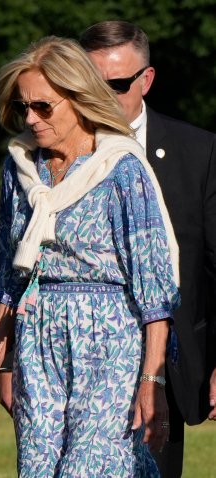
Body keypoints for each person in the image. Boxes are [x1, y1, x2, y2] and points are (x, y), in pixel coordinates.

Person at [0, 36, 180, 476]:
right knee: (40, 469)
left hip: (109, 340)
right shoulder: (21, 168)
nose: (31, 118)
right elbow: (11, 275)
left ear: (79, 98)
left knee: (91, 468)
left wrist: (152, 380)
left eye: (44, 106)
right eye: (23, 106)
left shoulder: (122, 168)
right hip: (37, 336)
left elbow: (155, 289)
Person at [79, 21, 216, 478]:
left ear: (147, 79)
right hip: (76, 357)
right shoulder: (55, 153)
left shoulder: (197, 152)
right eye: (90, 84)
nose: (101, 98)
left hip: (164, 368)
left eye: (117, 85)